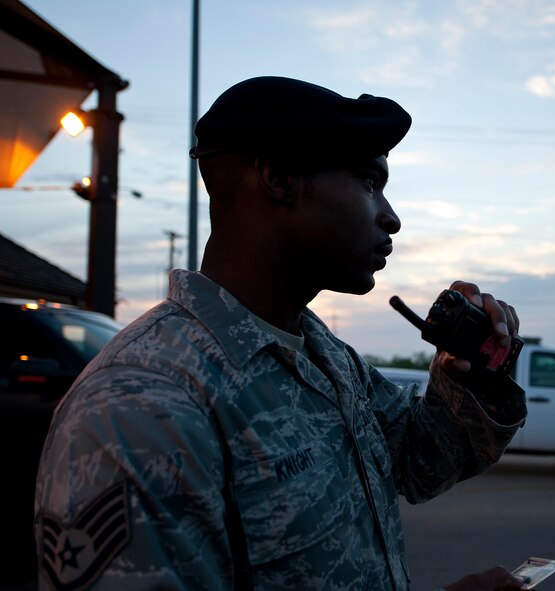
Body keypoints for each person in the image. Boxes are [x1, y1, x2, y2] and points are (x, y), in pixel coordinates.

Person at [35, 76, 528, 590]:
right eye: (368, 181)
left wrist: (471, 370)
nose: (391, 217)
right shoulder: (139, 409)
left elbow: (424, 461)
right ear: (278, 178)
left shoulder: (327, 357)